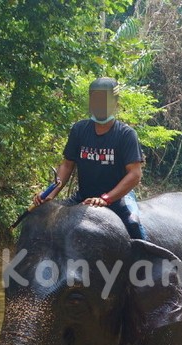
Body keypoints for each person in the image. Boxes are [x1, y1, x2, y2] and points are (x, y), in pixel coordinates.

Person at [33, 77, 148, 240]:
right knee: (45, 217)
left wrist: (105, 199)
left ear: (116, 103)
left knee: (133, 224)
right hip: (84, 196)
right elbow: (67, 165)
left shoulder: (126, 135)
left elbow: (135, 174)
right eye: (96, 99)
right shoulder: (79, 129)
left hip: (118, 198)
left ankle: (147, 261)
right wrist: (50, 193)